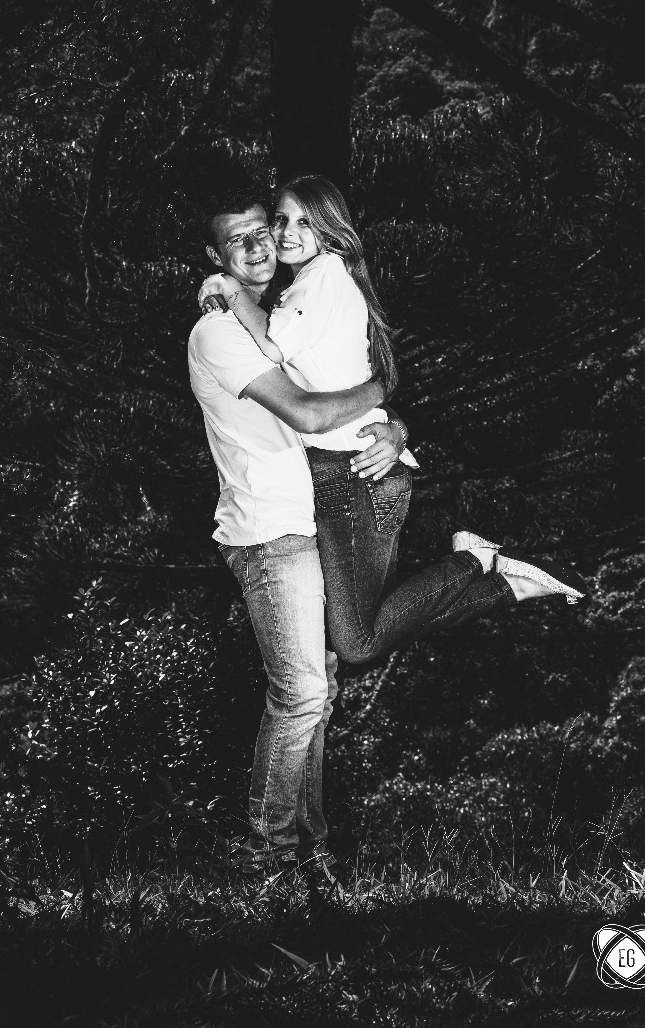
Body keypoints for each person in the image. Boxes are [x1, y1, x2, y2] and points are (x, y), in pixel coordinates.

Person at [199, 174, 587, 671]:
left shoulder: (322, 275)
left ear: (331, 229)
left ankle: (478, 562)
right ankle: (503, 578)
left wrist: (229, 290)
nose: (284, 233)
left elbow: (284, 365)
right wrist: (389, 410)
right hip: (345, 471)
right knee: (355, 633)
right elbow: (349, 377)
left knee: (355, 641)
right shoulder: (304, 288)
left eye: (305, 222)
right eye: (281, 220)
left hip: (352, 470)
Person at [188, 186, 407, 884]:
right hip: (268, 531)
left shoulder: (288, 312)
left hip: (309, 521)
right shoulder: (221, 331)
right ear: (216, 257)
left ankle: (311, 849)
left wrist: (394, 425)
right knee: (303, 693)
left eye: (264, 230)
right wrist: (380, 392)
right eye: (239, 239)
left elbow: (336, 393)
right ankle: (270, 856)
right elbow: (312, 415)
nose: (258, 246)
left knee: (323, 688)